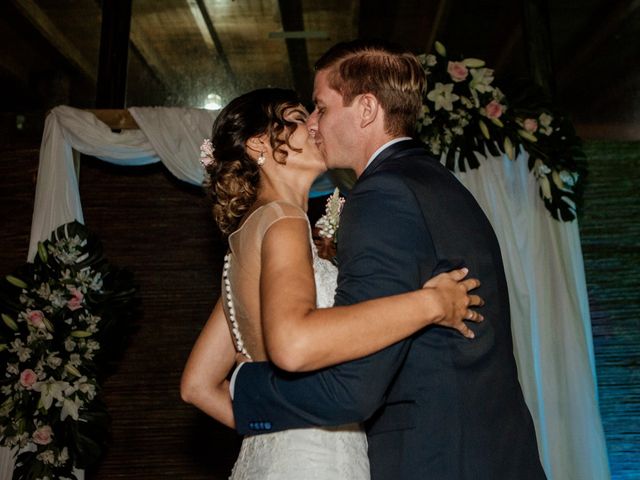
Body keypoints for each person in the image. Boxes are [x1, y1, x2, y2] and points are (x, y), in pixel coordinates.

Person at [229, 41, 547, 479]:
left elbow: (354, 387)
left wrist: (243, 387)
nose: (314, 123)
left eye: (320, 108)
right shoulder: (437, 183)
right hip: (487, 452)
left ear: (365, 109)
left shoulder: (384, 195)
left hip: (436, 458)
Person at [180, 88, 485, 478]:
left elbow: (197, 386)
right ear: (259, 142)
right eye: (296, 117)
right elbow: (296, 339)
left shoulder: (245, 239)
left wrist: (276, 432)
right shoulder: (284, 221)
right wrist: (432, 304)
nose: (313, 125)